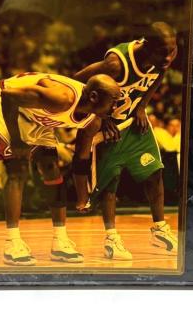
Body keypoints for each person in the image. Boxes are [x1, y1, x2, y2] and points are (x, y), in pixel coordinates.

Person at [0, 72, 121, 266]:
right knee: (18, 169)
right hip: (3, 101)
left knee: (52, 170)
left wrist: (83, 197)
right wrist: (16, 140)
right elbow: (9, 96)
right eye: (113, 102)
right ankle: (12, 242)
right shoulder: (61, 98)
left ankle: (60, 240)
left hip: (36, 113)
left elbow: (80, 160)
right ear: (94, 97)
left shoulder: (93, 121)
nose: (116, 108)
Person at [73, 21, 179, 260]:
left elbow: (160, 74)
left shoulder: (167, 53)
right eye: (163, 52)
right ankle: (111, 239)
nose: (168, 57)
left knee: (155, 173)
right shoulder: (115, 64)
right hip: (109, 129)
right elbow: (77, 81)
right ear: (147, 46)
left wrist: (142, 106)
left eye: (171, 51)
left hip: (134, 122)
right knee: (110, 184)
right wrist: (101, 116)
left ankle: (160, 229)